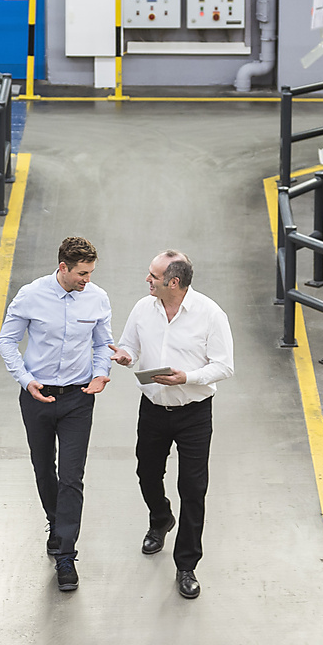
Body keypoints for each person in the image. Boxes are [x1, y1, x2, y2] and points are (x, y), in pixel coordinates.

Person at [109, 250, 233, 600]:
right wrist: (125, 356)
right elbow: (130, 345)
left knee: (193, 489)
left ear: (173, 282)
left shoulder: (210, 314)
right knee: (147, 474)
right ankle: (160, 518)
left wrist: (187, 378)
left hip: (194, 412)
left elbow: (225, 365)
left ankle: (186, 565)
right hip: (152, 409)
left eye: (153, 275)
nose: (147, 280)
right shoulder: (142, 308)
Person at [0, 235, 112, 592]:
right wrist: (26, 380)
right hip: (38, 396)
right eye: (81, 273)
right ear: (63, 267)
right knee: (44, 468)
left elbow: (102, 343)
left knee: (72, 476)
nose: (87, 280)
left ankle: (66, 553)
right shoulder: (31, 295)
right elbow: (6, 340)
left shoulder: (97, 298)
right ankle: (55, 520)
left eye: (91, 272)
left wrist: (100, 372)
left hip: (78, 398)